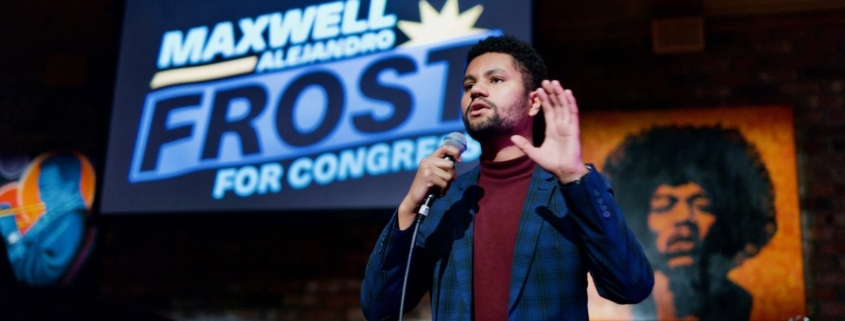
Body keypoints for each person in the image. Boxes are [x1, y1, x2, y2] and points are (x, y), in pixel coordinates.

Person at [361, 35, 654, 320]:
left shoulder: (572, 189)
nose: (477, 90)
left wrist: (573, 176)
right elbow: (379, 308)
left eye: (495, 79)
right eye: (469, 84)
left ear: (533, 102)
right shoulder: (445, 200)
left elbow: (631, 286)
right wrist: (409, 207)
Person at [602, 125, 778, 320]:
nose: (685, 217)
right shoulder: (615, 303)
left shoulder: (738, 304)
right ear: (639, 218)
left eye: (702, 205)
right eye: (664, 205)